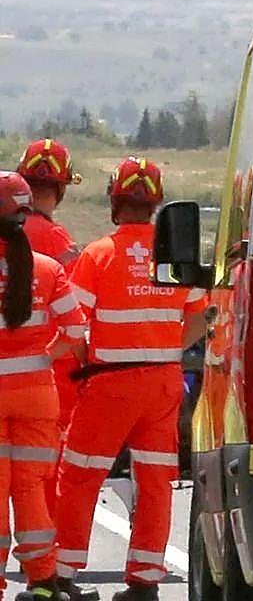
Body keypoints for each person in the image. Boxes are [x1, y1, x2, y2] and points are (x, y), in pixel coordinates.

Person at [55, 158, 208, 601]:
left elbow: (73, 325)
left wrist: (90, 359)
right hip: (162, 382)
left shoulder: (99, 254)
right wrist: (164, 349)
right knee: (156, 480)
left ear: (113, 201)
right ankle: (144, 581)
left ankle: (64, 575)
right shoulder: (175, 258)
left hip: (109, 383)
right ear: (157, 205)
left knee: (81, 475)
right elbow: (200, 319)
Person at [0, 171, 86, 601]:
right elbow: (76, 331)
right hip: (37, 394)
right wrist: (42, 357)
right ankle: (42, 581)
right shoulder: (49, 268)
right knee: (32, 486)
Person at [16, 139, 84, 518]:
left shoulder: (9, 231)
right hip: (50, 371)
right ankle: (43, 550)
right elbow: (75, 312)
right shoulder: (56, 240)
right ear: (59, 189)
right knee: (44, 465)